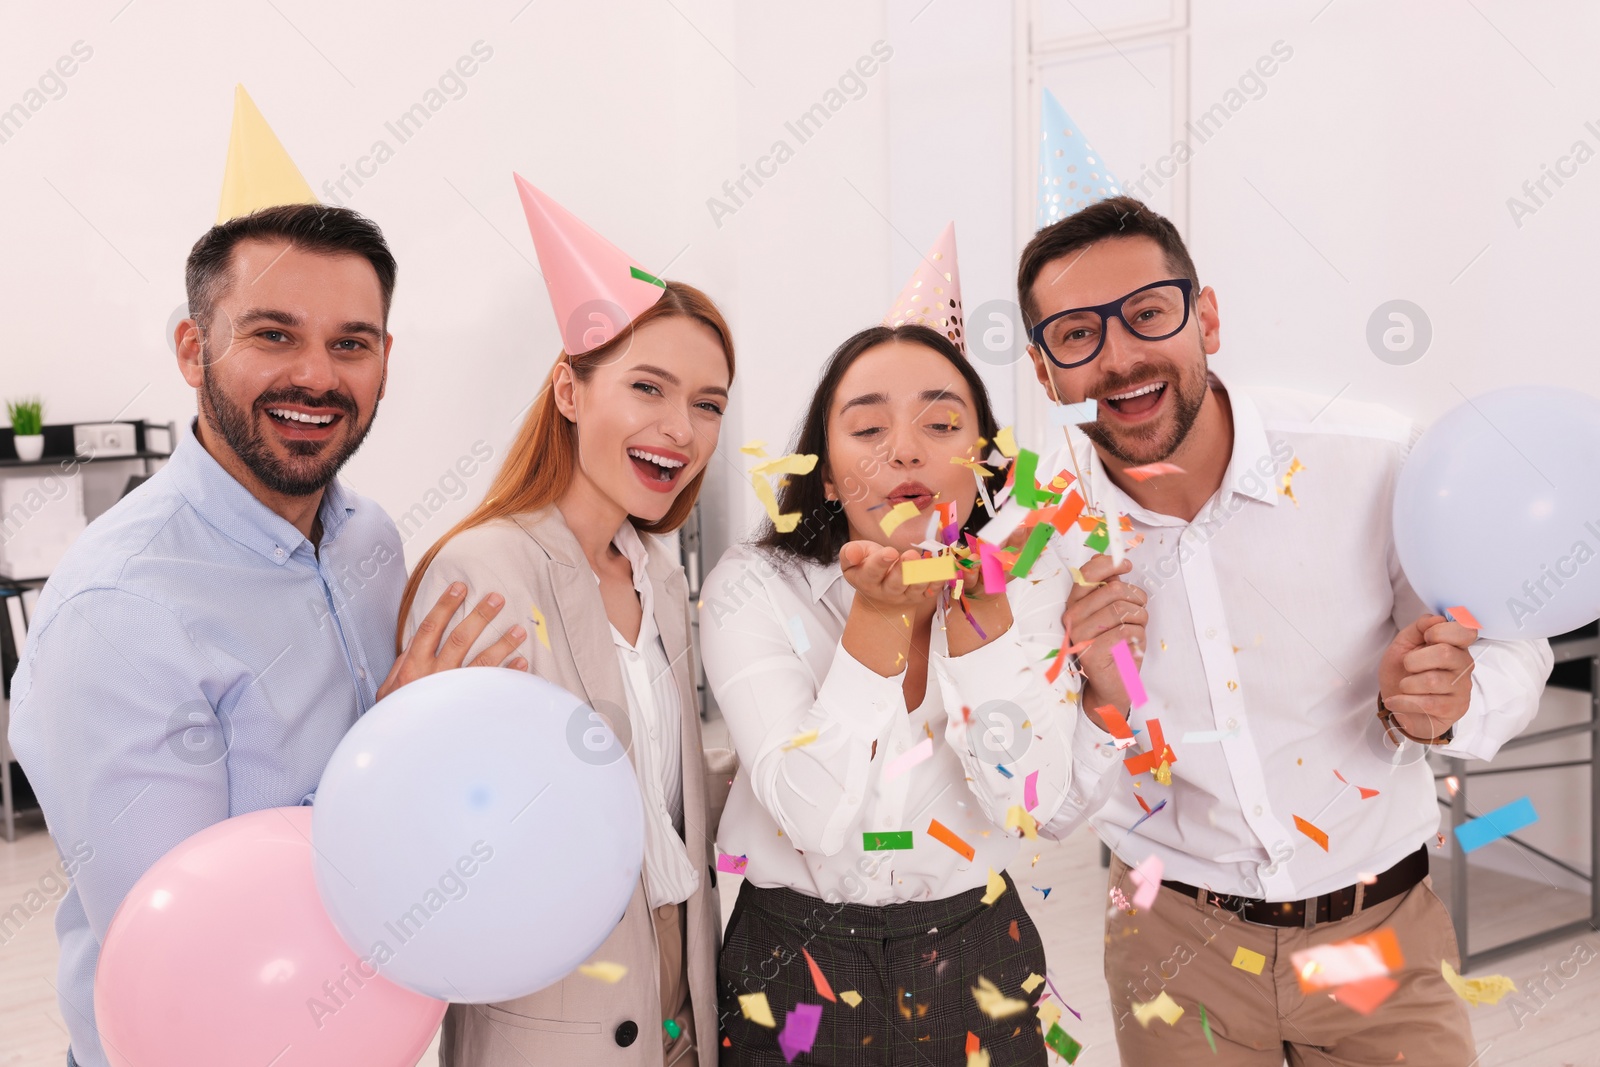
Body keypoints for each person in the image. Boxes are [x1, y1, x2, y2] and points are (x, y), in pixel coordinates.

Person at [1016, 195, 1554, 1065]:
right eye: (1077, 334)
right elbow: (1041, 800)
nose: (1119, 358)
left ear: (1208, 317)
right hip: (1170, 947)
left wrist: (1449, 705)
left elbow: (1512, 644)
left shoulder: (1372, 460)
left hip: (1377, 936)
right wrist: (1100, 700)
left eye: (1148, 314)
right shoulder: (1034, 545)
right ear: (1047, 371)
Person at [7, 203, 523, 1067]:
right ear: (191, 349)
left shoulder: (368, 537)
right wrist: (392, 753)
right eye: (273, 335)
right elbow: (189, 946)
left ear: (385, 360)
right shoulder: (118, 610)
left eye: (352, 342)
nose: (317, 377)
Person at [699, 320, 1110, 1066]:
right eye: (866, 427)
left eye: (943, 422)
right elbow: (809, 815)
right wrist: (879, 622)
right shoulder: (752, 586)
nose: (906, 449)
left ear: (985, 462)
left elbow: (1035, 807)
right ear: (827, 474)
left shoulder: (1023, 580)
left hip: (977, 948)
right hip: (792, 964)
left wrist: (983, 643)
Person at [397, 176, 737, 1067]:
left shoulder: (660, 577)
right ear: (570, 389)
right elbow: (458, 825)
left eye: (708, 403)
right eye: (649, 387)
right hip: (553, 1020)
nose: (681, 428)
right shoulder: (484, 571)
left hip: (678, 993)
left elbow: (668, 794)